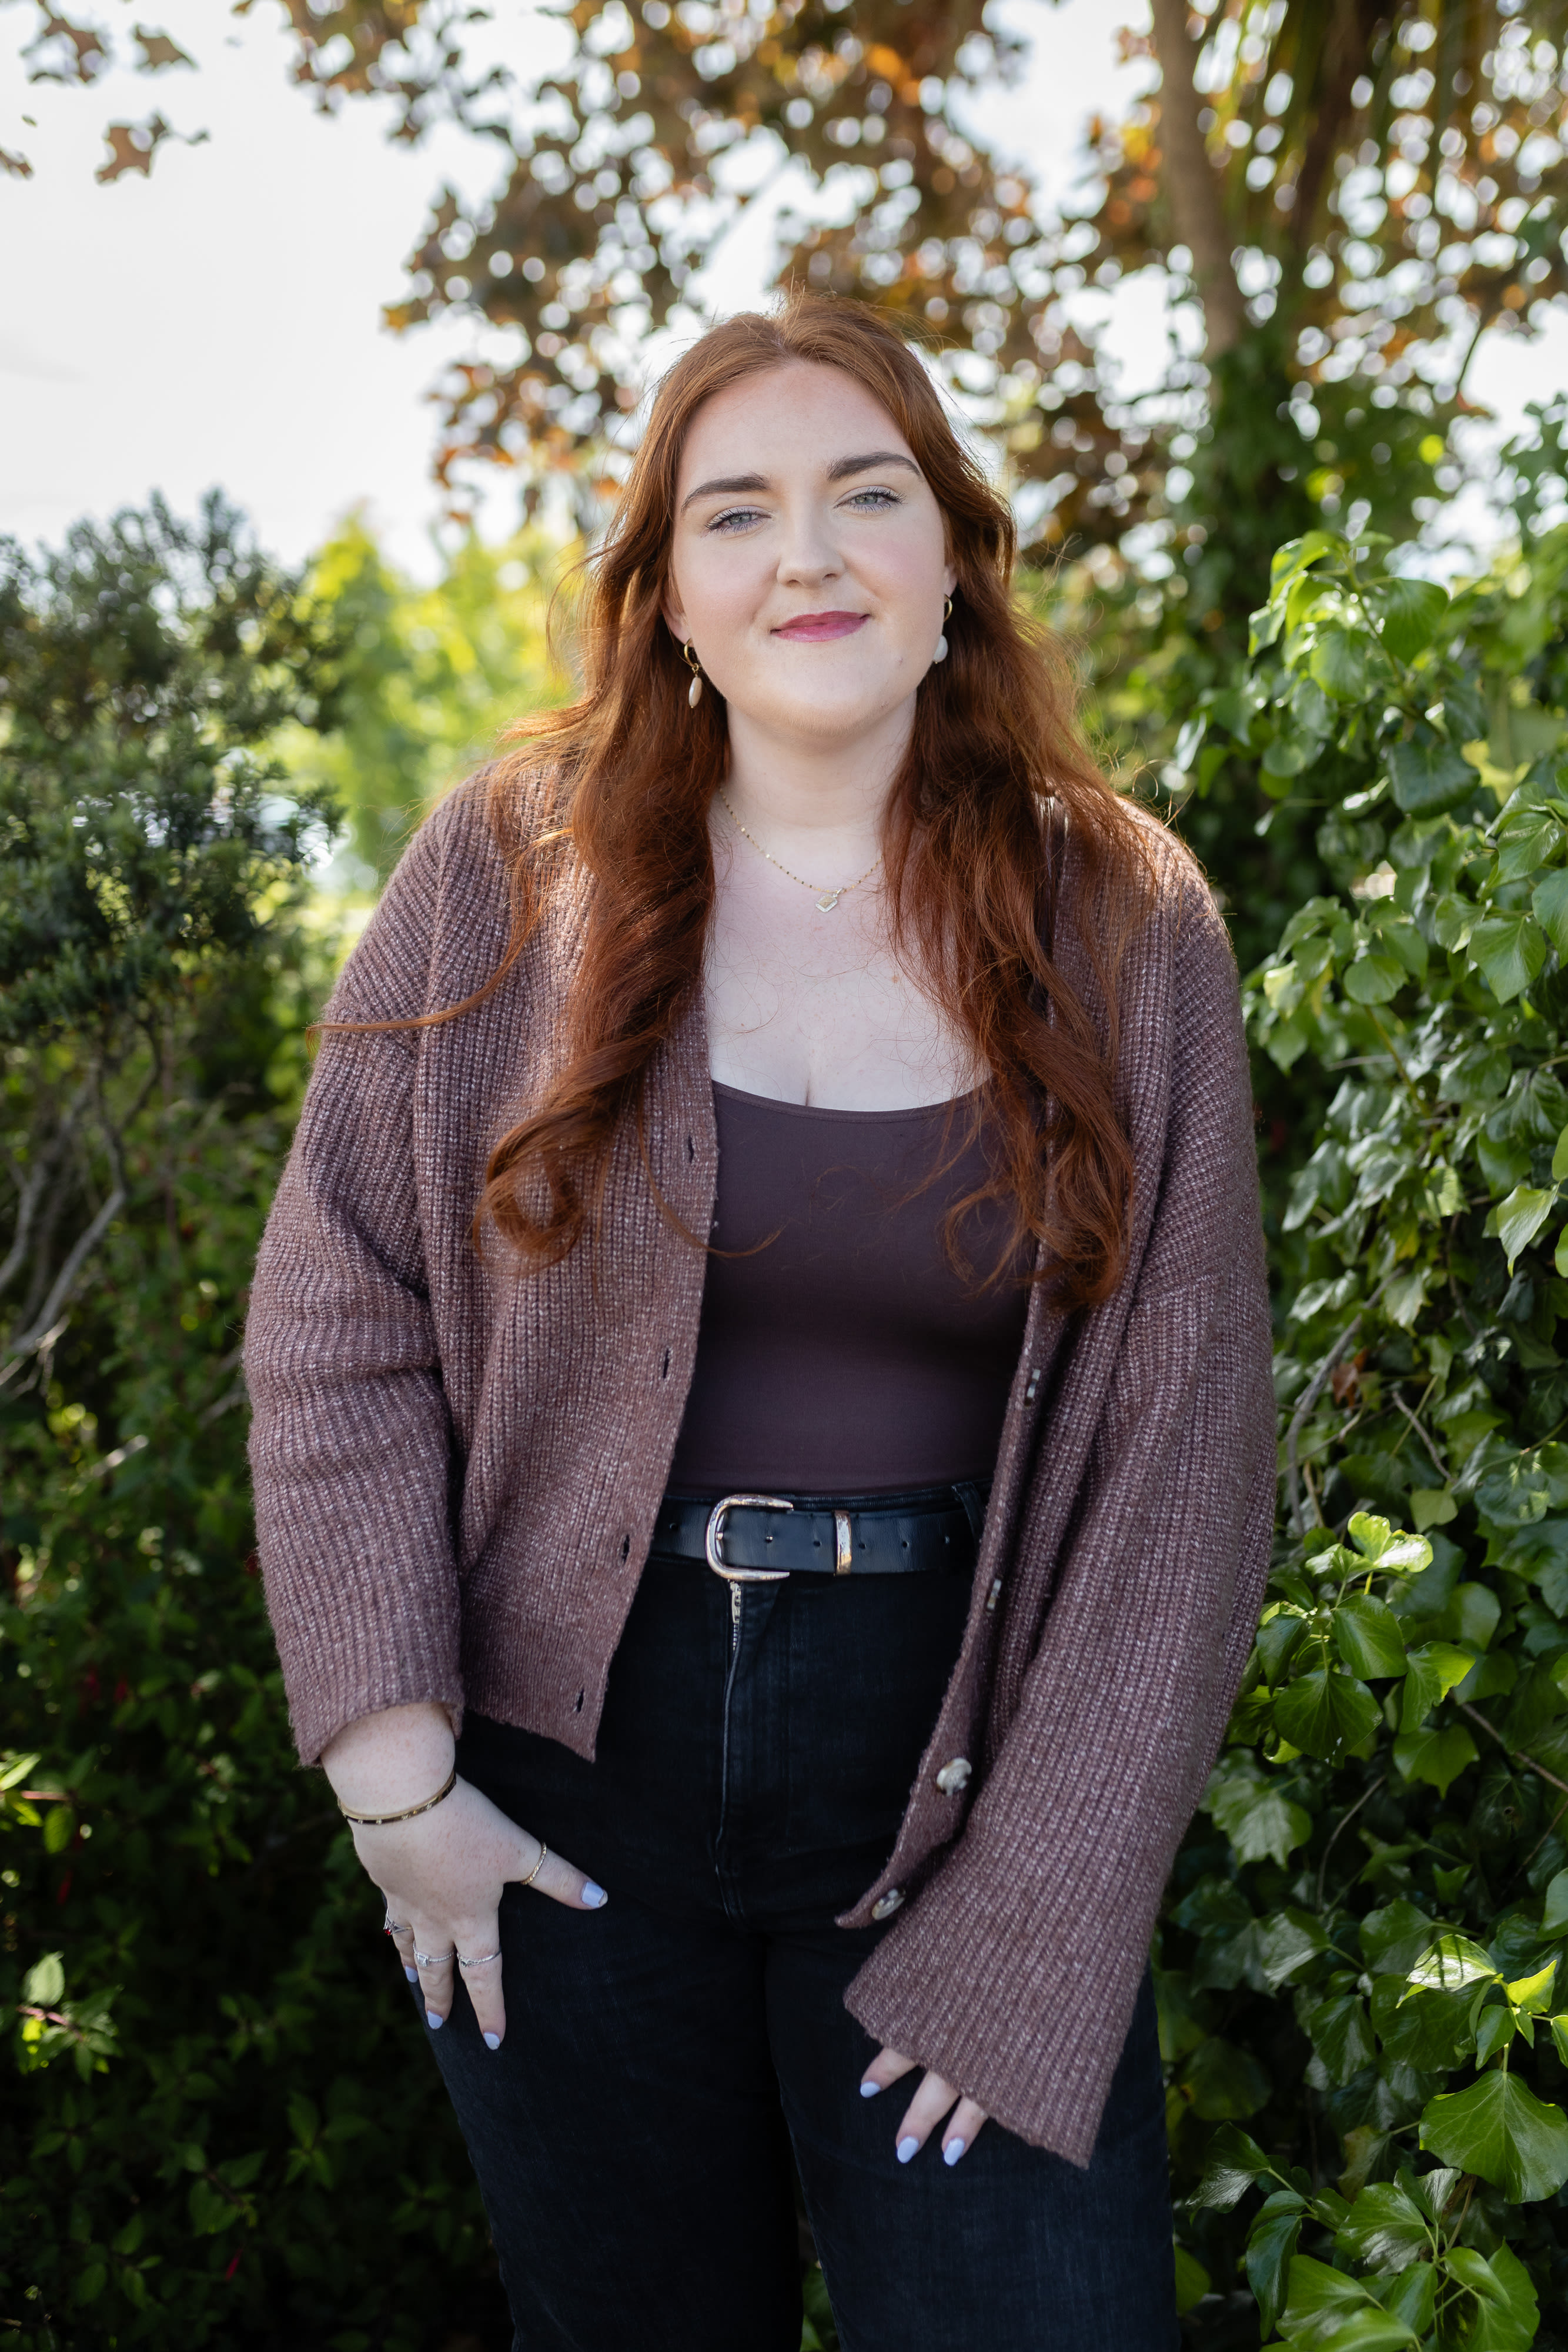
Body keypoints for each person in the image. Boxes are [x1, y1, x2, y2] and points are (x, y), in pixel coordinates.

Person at [245, 293, 1274, 2352]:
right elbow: (333, 1313)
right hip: (563, 1779)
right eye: (736, 514)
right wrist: (396, 1787)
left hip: (958, 1781)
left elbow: (1187, 1457)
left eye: (861, 494)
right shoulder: (504, 877)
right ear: (669, 600)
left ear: (953, 565)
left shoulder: (1123, 921)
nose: (804, 555)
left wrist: (1051, 1912)